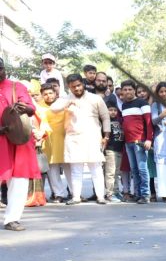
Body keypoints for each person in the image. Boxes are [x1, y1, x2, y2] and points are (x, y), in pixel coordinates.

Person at [50, 74, 110, 205]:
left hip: (93, 137)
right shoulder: (65, 99)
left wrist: (106, 136)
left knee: (96, 168)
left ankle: (101, 197)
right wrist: (67, 102)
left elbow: (105, 117)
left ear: (83, 84)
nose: (76, 88)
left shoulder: (95, 98)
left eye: (78, 85)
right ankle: (76, 197)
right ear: (69, 87)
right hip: (73, 138)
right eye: (73, 87)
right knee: (76, 169)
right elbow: (53, 108)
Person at [0, 58, 38, 230]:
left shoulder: (16, 86)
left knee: (19, 179)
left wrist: (25, 108)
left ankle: (12, 219)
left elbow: (31, 109)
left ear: (4, 69)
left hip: (18, 138)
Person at [120, 80, 153, 204]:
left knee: (142, 169)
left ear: (134, 90)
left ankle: (145, 195)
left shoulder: (142, 103)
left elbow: (149, 123)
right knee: (134, 170)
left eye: (130, 89)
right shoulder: (123, 105)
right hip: (128, 142)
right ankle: (138, 193)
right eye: (125, 90)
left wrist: (149, 139)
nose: (127, 92)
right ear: (122, 91)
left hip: (140, 141)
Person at [38, 83, 69, 202]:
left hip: (65, 139)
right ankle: (59, 194)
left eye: (50, 93)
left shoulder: (63, 103)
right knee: (52, 168)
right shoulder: (39, 107)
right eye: (45, 94)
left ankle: (75, 192)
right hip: (48, 141)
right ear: (42, 95)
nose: (48, 96)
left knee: (69, 167)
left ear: (56, 93)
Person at [104, 101, 124, 202]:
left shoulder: (119, 121)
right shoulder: (105, 122)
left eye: (115, 110)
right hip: (110, 150)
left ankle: (116, 191)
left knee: (116, 172)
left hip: (119, 149)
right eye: (110, 110)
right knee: (110, 173)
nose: (113, 112)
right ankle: (109, 193)